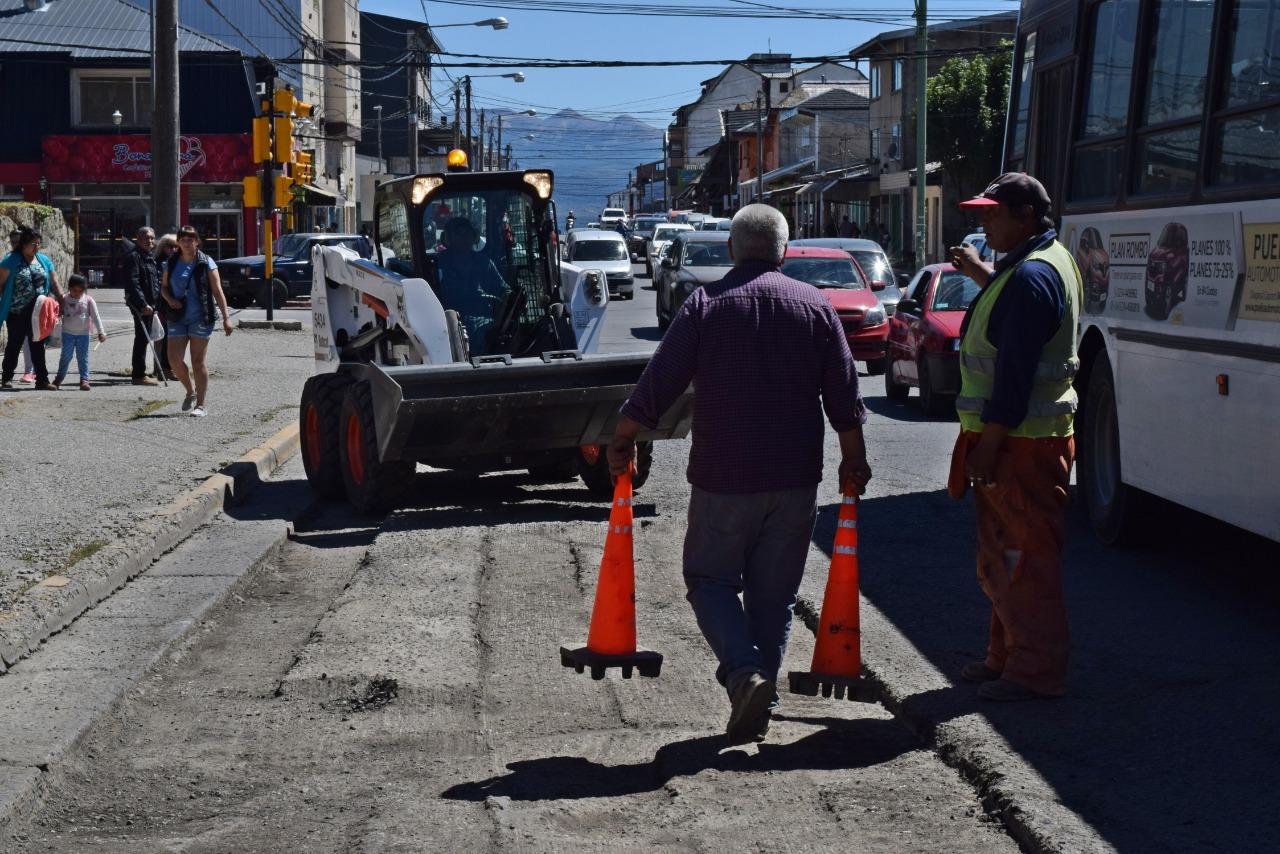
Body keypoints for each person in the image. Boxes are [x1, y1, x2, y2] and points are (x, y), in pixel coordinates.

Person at [607, 204, 872, 745]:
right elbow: (845, 396)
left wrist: (623, 436)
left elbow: (661, 380)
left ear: (732, 250)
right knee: (774, 600)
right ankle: (762, 698)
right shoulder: (814, 307)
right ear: (784, 252)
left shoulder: (706, 305)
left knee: (710, 582)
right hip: (795, 480)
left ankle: (744, 676)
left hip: (724, 478)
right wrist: (853, 459)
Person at [947, 172, 1083, 702]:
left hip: (1021, 444)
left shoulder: (1031, 277)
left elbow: (1015, 375)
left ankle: (1034, 672)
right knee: (1007, 557)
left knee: (1025, 560)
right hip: (1029, 440)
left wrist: (990, 444)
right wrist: (984, 275)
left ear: (1025, 216)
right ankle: (1006, 658)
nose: (983, 221)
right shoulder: (1043, 263)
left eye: (992, 212)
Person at [161, 225, 233, 417]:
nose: (186, 243)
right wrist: (170, 300)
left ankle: (200, 405)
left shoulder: (206, 262)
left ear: (197, 241)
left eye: (190, 239)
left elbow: (218, 291)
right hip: (177, 316)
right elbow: (164, 287)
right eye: (183, 239)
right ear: (178, 242)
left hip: (201, 316)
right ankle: (190, 391)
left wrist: (226, 318)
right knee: (173, 360)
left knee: (197, 361)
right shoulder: (172, 262)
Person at [433, 217, 510, 352]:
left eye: (467, 234)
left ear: (473, 236)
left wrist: (510, 297)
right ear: (448, 238)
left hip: (482, 318)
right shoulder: (438, 264)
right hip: (447, 320)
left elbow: (502, 289)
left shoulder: (482, 262)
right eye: (458, 234)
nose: (463, 239)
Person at [0, 227, 62, 389]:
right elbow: (0, 283)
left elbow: (54, 283)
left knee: (38, 346)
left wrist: (62, 300)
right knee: (14, 344)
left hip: (39, 313)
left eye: (38, 244)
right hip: (17, 311)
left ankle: (42, 380)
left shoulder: (44, 260)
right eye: (33, 244)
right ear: (23, 244)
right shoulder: (11, 260)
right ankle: (7, 378)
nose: (36, 247)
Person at [123, 226, 170, 385]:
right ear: (138, 239)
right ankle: (138, 374)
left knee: (145, 337)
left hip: (151, 304)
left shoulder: (149, 257)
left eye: (152, 238)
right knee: (142, 338)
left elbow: (154, 282)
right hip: (141, 306)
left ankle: (141, 373)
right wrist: (143, 304)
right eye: (146, 238)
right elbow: (133, 282)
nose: (150, 241)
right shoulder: (134, 257)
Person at [53, 273, 106, 390]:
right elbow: (57, 313)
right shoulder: (64, 299)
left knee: (83, 357)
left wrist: (101, 332)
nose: (76, 293)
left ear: (84, 290)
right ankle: (59, 378)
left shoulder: (88, 300)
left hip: (83, 335)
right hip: (67, 334)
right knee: (65, 357)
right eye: (74, 290)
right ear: (69, 288)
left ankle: (84, 380)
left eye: (80, 291)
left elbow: (96, 317)